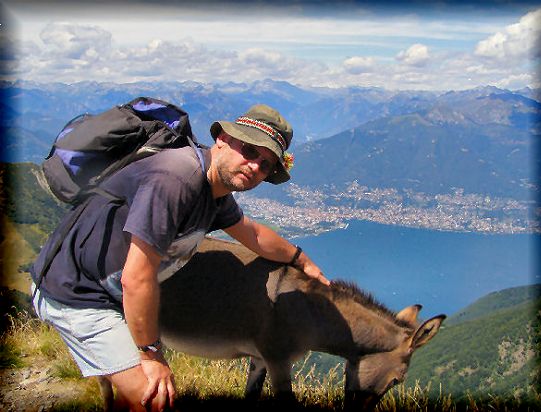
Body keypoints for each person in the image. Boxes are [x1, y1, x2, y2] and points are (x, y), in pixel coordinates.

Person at [30, 103, 330, 411]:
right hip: (75, 294)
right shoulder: (177, 179)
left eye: (265, 165)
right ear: (223, 139)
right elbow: (137, 278)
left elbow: (251, 233)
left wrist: (301, 260)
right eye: (250, 151)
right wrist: (151, 354)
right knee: (155, 399)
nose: (254, 166)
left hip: (108, 295)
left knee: (134, 398)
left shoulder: (214, 189)